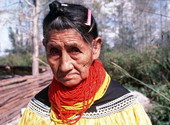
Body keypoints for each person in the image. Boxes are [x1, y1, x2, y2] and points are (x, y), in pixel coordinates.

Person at [19, 0, 152, 125]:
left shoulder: (125, 111)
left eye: (75, 50)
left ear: (95, 48)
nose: (65, 66)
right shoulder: (37, 111)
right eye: (54, 51)